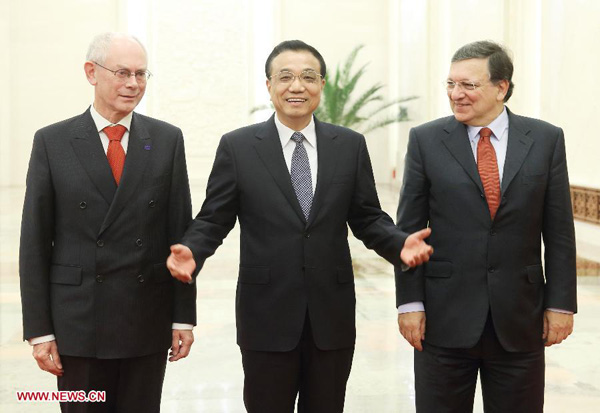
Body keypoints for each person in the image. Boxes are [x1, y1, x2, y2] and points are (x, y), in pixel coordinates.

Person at [167, 39, 433, 413]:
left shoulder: (349, 145)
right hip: (266, 314)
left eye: (308, 77)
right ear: (269, 86)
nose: (297, 86)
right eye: (286, 77)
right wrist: (193, 249)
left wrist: (398, 243)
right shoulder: (239, 147)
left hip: (332, 315)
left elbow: (368, 217)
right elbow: (214, 217)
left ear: (322, 85)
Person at [395, 40, 577, 413]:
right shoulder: (426, 141)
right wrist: (409, 303)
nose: (456, 94)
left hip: (520, 319)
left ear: (501, 87)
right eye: (450, 84)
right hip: (444, 319)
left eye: (468, 85)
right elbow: (409, 231)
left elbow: (558, 231)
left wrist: (561, 304)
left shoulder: (545, 139)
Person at [19, 32, 196, 413]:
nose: (133, 84)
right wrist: (39, 330)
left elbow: (180, 236)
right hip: (77, 325)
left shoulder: (166, 139)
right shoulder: (53, 141)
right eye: (122, 73)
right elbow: (34, 242)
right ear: (91, 72)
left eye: (141, 74)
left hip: (145, 320)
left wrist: (183, 318)